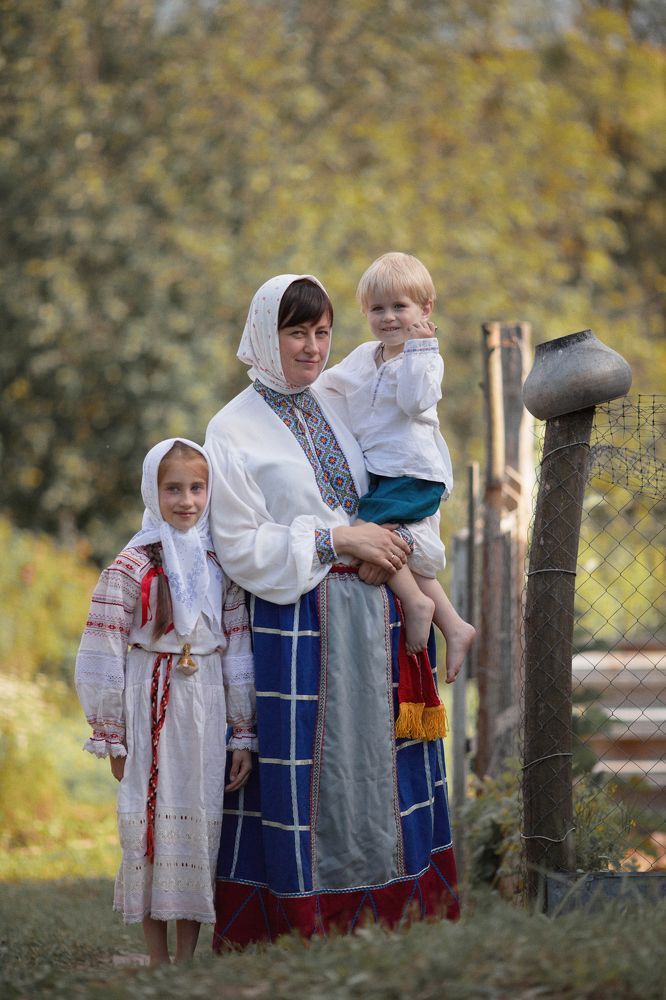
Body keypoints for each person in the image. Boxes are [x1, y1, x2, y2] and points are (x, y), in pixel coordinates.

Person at [205, 274, 459, 948]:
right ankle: (299, 918)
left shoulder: (342, 398)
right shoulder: (231, 428)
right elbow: (236, 544)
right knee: (311, 778)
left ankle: (397, 908)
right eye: (297, 331)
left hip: (375, 612)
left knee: (382, 766)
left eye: (322, 331)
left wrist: (398, 540)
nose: (314, 347)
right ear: (267, 334)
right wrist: (335, 537)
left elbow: (409, 462)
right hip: (298, 630)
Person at [75, 438, 256, 966]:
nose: (187, 500)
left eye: (197, 488)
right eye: (173, 488)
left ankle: (186, 957)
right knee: (150, 820)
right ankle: (157, 958)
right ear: (152, 491)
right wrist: (110, 731)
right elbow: (102, 646)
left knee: (199, 817)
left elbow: (238, 642)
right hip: (148, 697)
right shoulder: (132, 564)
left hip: (205, 703)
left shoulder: (219, 563)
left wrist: (242, 729)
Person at [319, 251, 475, 677]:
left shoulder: (425, 357)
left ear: (425, 309)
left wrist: (420, 346)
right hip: (386, 476)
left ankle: (417, 602)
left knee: (364, 529)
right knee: (401, 551)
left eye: (399, 307)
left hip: (414, 473)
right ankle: (454, 625)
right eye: (377, 309)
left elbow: (413, 401)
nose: (388, 318)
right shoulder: (366, 356)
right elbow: (327, 384)